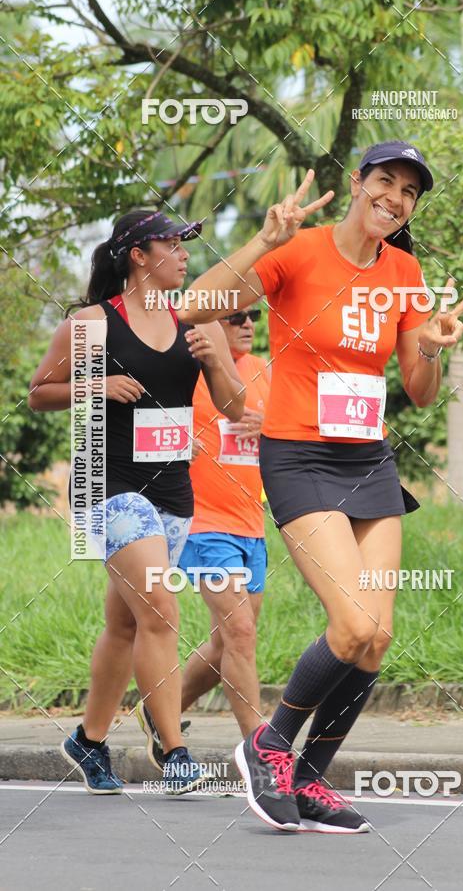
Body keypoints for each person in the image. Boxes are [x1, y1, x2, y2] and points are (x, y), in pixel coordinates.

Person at [178, 139, 463, 832]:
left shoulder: (405, 270)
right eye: (386, 181)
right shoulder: (299, 250)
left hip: (368, 461)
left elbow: (419, 390)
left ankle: (310, 780)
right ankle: (270, 744)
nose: (396, 198)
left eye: (409, 191)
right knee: (352, 625)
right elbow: (196, 306)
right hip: (299, 457)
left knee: (376, 640)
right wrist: (263, 238)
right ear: (357, 183)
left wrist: (432, 344)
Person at [29, 210, 245, 794]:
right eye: (170, 243)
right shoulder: (93, 324)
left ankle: (89, 741)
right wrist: (94, 385)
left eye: (185, 243)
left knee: (125, 624)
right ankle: (173, 752)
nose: (182, 253)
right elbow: (39, 393)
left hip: (173, 491)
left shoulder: (196, 321)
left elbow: (233, 410)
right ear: (137, 255)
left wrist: (216, 360)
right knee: (161, 613)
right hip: (109, 486)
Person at [136, 305, 271, 769]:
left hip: (250, 525)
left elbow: (278, 437)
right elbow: (138, 426)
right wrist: (175, 441)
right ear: (210, 325)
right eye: (236, 317)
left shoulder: (262, 372)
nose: (248, 324)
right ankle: (262, 753)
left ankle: (159, 714)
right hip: (203, 522)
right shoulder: (186, 371)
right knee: (240, 632)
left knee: (224, 643)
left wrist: (267, 429)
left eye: (253, 315)